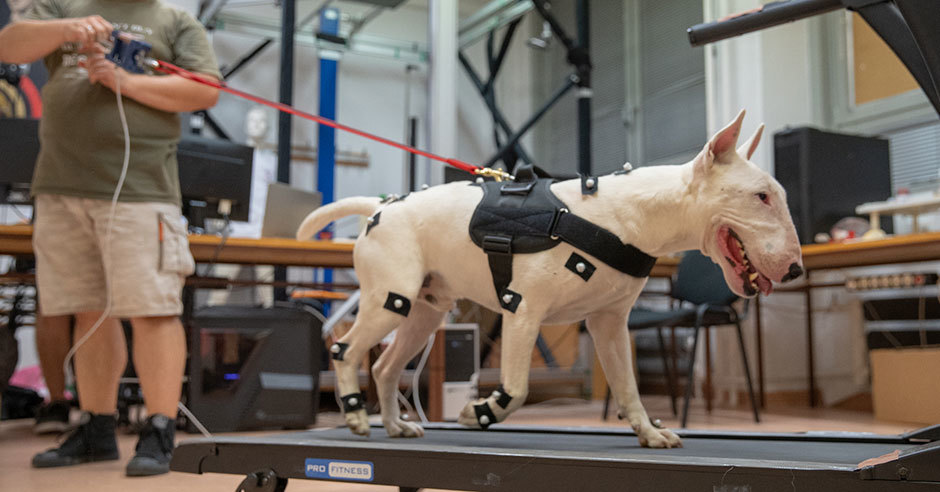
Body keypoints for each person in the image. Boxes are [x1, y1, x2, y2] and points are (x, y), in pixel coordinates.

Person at [0, 0, 220, 476]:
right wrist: (67, 29)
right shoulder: (62, 6)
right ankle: (96, 427)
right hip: (61, 187)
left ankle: (160, 428)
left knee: (152, 309)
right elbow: (9, 44)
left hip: (141, 191)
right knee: (87, 310)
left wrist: (126, 83)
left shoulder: (176, 22)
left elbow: (204, 93)